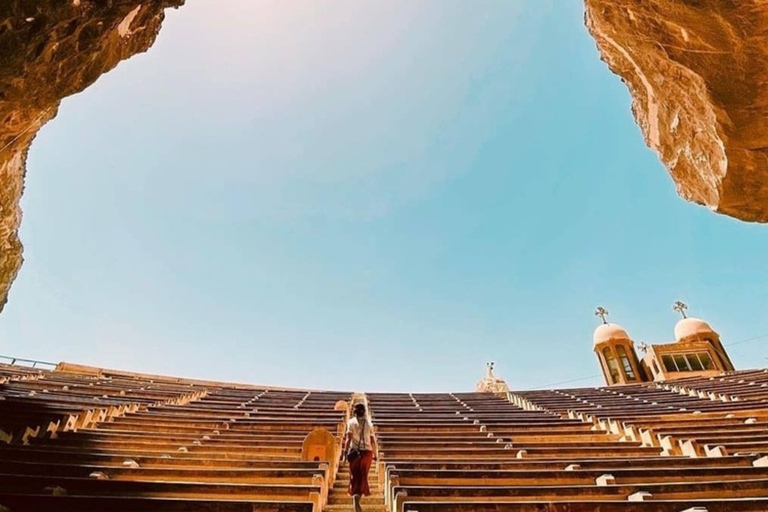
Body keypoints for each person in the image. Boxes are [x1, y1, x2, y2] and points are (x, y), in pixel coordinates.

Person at [345, 402, 377, 512]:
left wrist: (345, 453)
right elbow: (373, 441)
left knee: (355, 476)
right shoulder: (369, 424)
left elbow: (348, 439)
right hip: (367, 453)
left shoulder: (351, 423)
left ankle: (355, 495)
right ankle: (358, 496)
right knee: (363, 476)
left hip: (355, 453)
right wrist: (375, 455)